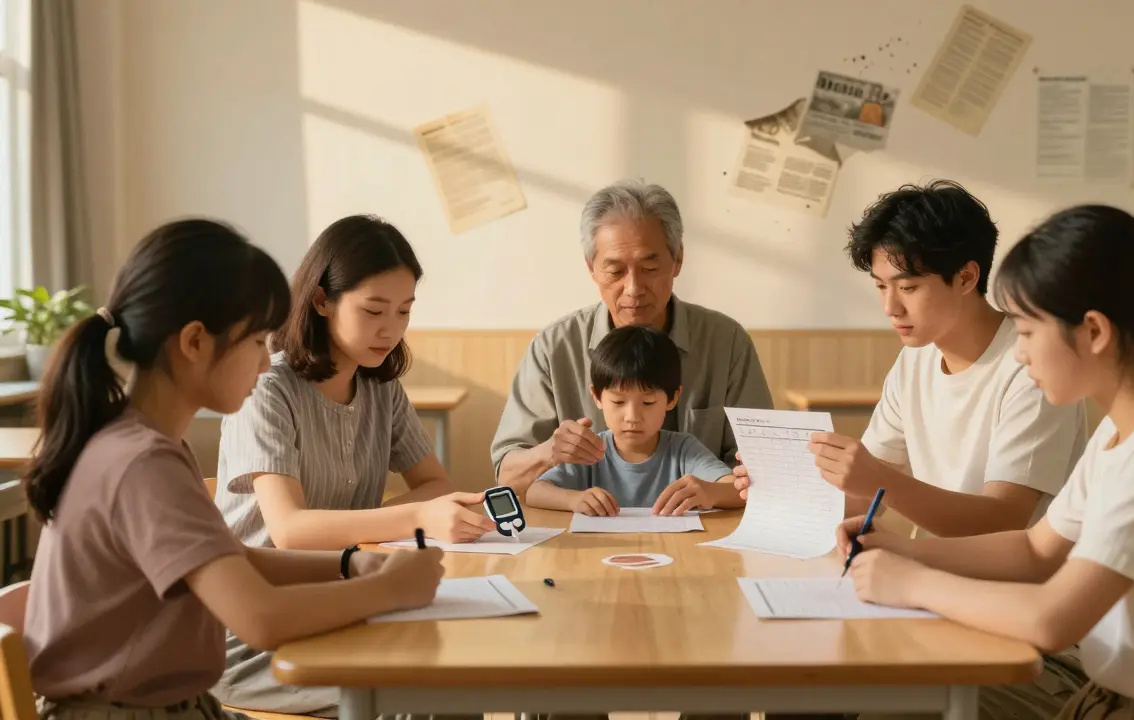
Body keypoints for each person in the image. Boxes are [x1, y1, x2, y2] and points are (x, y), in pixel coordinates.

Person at [844, 204, 1134, 718]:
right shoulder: (1126, 432)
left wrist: (912, 582)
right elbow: (1035, 550)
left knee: (892, 699)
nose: (1021, 354)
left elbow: (1053, 621)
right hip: (1116, 696)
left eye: (1028, 333)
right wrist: (902, 553)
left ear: (1093, 332)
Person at [21, 219, 444, 720]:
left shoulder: (149, 444)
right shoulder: (142, 462)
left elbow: (234, 556)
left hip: (171, 706)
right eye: (257, 342)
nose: (266, 364)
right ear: (195, 342)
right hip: (128, 713)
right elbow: (260, 620)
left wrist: (352, 564)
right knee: (428, 695)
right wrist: (389, 589)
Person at [736, 181, 1090, 719]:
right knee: (797, 680)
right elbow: (860, 495)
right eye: (880, 286)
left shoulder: (1034, 366)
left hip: (1026, 631)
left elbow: (1004, 522)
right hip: (937, 601)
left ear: (967, 277)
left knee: (847, 694)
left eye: (908, 286)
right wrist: (771, 488)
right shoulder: (915, 361)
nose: (889, 306)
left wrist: (882, 485)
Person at [212, 215, 492, 717]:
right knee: (429, 689)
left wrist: (410, 515)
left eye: (404, 311)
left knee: (459, 671)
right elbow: (291, 531)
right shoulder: (269, 389)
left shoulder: (381, 386)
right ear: (321, 301)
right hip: (256, 626)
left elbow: (434, 483)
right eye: (374, 310)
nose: (391, 328)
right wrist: (414, 517)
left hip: (348, 599)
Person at [491, 179, 773, 494]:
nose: (633, 289)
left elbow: (766, 466)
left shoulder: (726, 342)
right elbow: (507, 475)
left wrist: (721, 488)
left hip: (707, 527)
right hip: (585, 531)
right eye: (614, 271)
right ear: (591, 269)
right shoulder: (554, 348)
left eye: (650, 268)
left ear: (678, 260)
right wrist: (548, 454)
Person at [525, 325, 743, 516]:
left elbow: (739, 491)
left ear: (673, 398)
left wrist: (710, 492)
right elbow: (535, 492)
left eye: (647, 403)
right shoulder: (590, 452)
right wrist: (573, 500)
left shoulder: (684, 449)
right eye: (618, 402)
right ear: (597, 397)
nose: (632, 417)